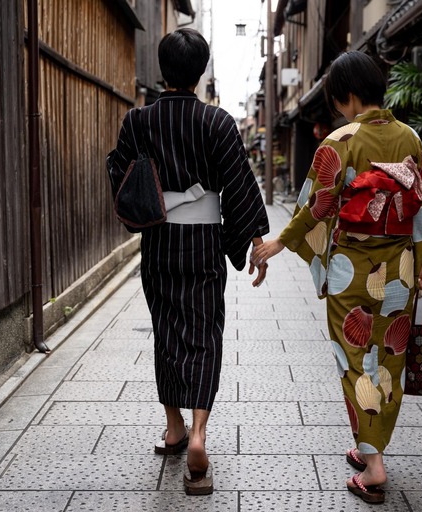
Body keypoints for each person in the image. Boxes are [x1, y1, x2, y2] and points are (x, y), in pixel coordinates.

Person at [251, 51, 422, 504]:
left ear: (350, 96)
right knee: (390, 357)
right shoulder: (411, 138)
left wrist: (278, 243)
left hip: (350, 272)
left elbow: (317, 205)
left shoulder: (340, 141)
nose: (338, 109)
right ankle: (370, 446)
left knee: (356, 361)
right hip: (400, 267)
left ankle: (374, 468)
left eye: (338, 101)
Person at [106, 28, 269, 495]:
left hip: (159, 241)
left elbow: (120, 172)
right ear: (200, 72)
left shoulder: (138, 121)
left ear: (163, 70)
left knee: (167, 332)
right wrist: (255, 240)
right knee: (203, 334)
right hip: (203, 244)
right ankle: (198, 436)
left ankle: (174, 428)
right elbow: (238, 185)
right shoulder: (217, 123)